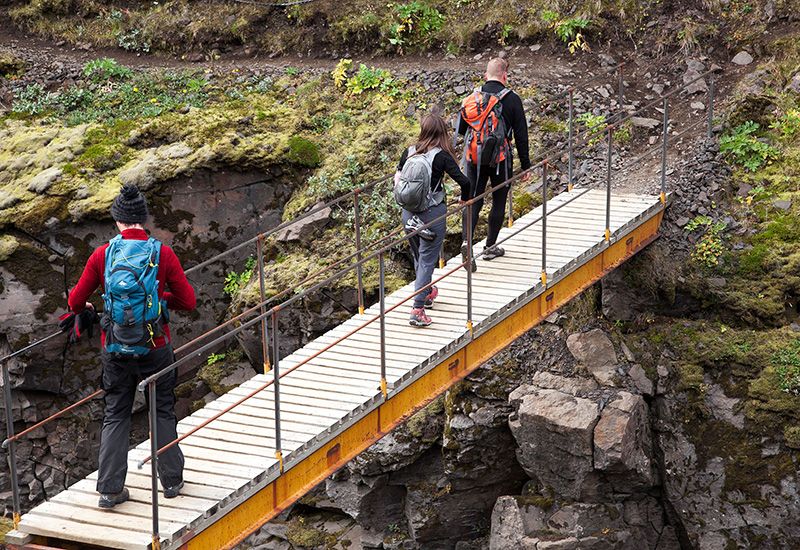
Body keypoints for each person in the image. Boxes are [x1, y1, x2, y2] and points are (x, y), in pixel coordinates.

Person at [66, 184, 196, 508]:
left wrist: (94, 311)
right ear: (143, 217)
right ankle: (171, 482)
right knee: (162, 410)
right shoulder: (161, 253)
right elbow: (189, 301)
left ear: (118, 220)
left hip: (115, 349)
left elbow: (74, 301)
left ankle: (110, 490)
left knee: (115, 414)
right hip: (155, 344)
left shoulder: (102, 254)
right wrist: (160, 299)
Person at [396, 113, 471, 327]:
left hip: (408, 214)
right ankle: (417, 309)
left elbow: (398, 179)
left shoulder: (409, 151)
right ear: (442, 133)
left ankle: (427, 292)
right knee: (428, 259)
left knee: (419, 255)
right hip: (431, 214)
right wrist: (465, 200)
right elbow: (464, 182)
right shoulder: (442, 156)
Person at [458, 57, 531, 269]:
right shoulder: (512, 99)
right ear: (505, 76)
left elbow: (462, 130)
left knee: (473, 200)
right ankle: (490, 247)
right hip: (501, 159)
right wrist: (525, 165)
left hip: (475, 158)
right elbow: (521, 135)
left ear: (485, 75)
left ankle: (466, 242)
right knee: (498, 200)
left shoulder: (473, 98)